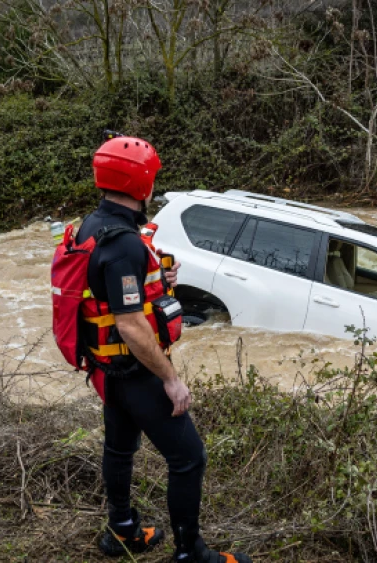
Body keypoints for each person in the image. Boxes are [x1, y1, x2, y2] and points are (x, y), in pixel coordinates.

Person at [74, 135, 252, 563]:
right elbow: (132, 325)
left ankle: (120, 532)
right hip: (136, 371)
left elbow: (112, 294)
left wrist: (159, 284)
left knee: (119, 448)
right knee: (189, 457)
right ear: (142, 184)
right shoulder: (123, 244)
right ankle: (191, 553)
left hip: (109, 367)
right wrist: (170, 380)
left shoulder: (92, 226)